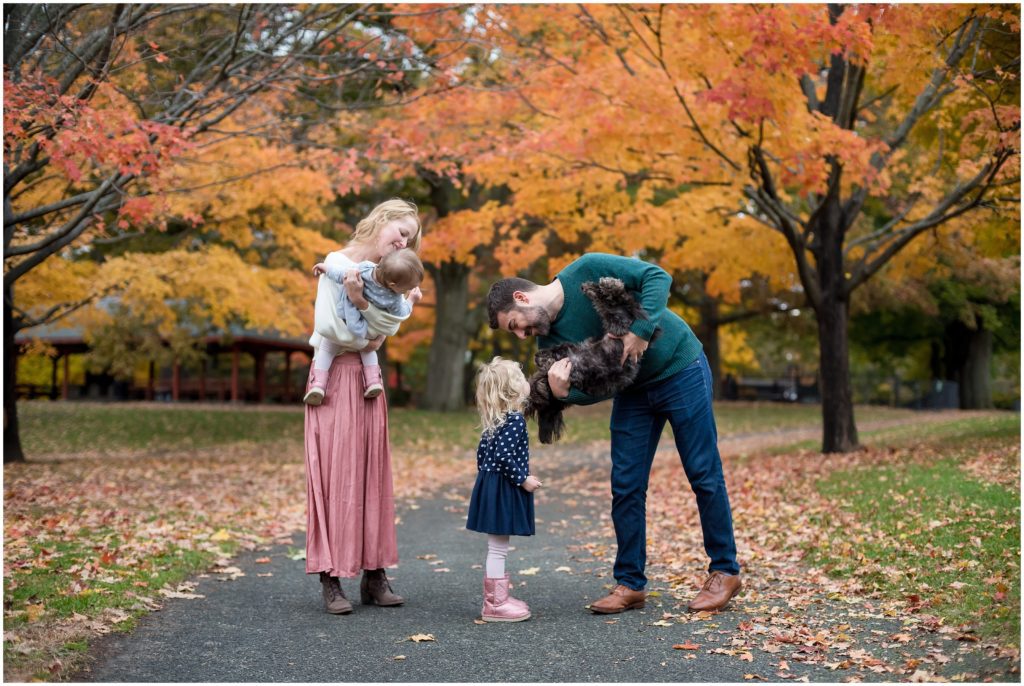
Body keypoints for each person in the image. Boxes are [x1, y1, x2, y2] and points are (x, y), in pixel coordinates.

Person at [486, 253, 741, 614]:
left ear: (522, 298)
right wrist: (561, 394)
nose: (522, 334)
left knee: (703, 473)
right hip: (632, 394)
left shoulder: (586, 270)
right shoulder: (548, 347)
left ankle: (725, 571)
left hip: (680, 368)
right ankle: (630, 583)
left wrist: (639, 332)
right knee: (626, 484)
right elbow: (596, 389)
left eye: (516, 324)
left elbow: (657, 277)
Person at [304, 198, 422, 615]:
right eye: (401, 231)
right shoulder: (337, 263)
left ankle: (375, 576)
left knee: (373, 474)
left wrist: (362, 306)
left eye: (409, 238)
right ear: (382, 221)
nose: (403, 241)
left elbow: (386, 330)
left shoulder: (391, 280)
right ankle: (331, 578)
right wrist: (368, 323)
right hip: (332, 380)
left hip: (369, 384)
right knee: (336, 476)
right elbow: (331, 328)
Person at [466, 357, 543, 622]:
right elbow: (503, 456)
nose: (526, 381)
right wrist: (523, 479)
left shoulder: (495, 422)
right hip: (502, 488)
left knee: (496, 546)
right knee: (498, 548)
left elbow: (482, 456)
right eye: (521, 378)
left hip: (491, 486)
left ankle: (497, 599)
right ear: (512, 389)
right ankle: (495, 605)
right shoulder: (514, 421)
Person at [307, 248, 424, 402]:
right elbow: (402, 313)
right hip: (368, 328)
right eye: (406, 289)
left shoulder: (364, 269)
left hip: (348, 319)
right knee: (368, 350)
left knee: (327, 346)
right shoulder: (394, 299)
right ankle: (373, 381)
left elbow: (342, 273)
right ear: (393, 284)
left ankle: (318, 385)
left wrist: (325, 268)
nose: (406, 292)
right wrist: (411, 300)